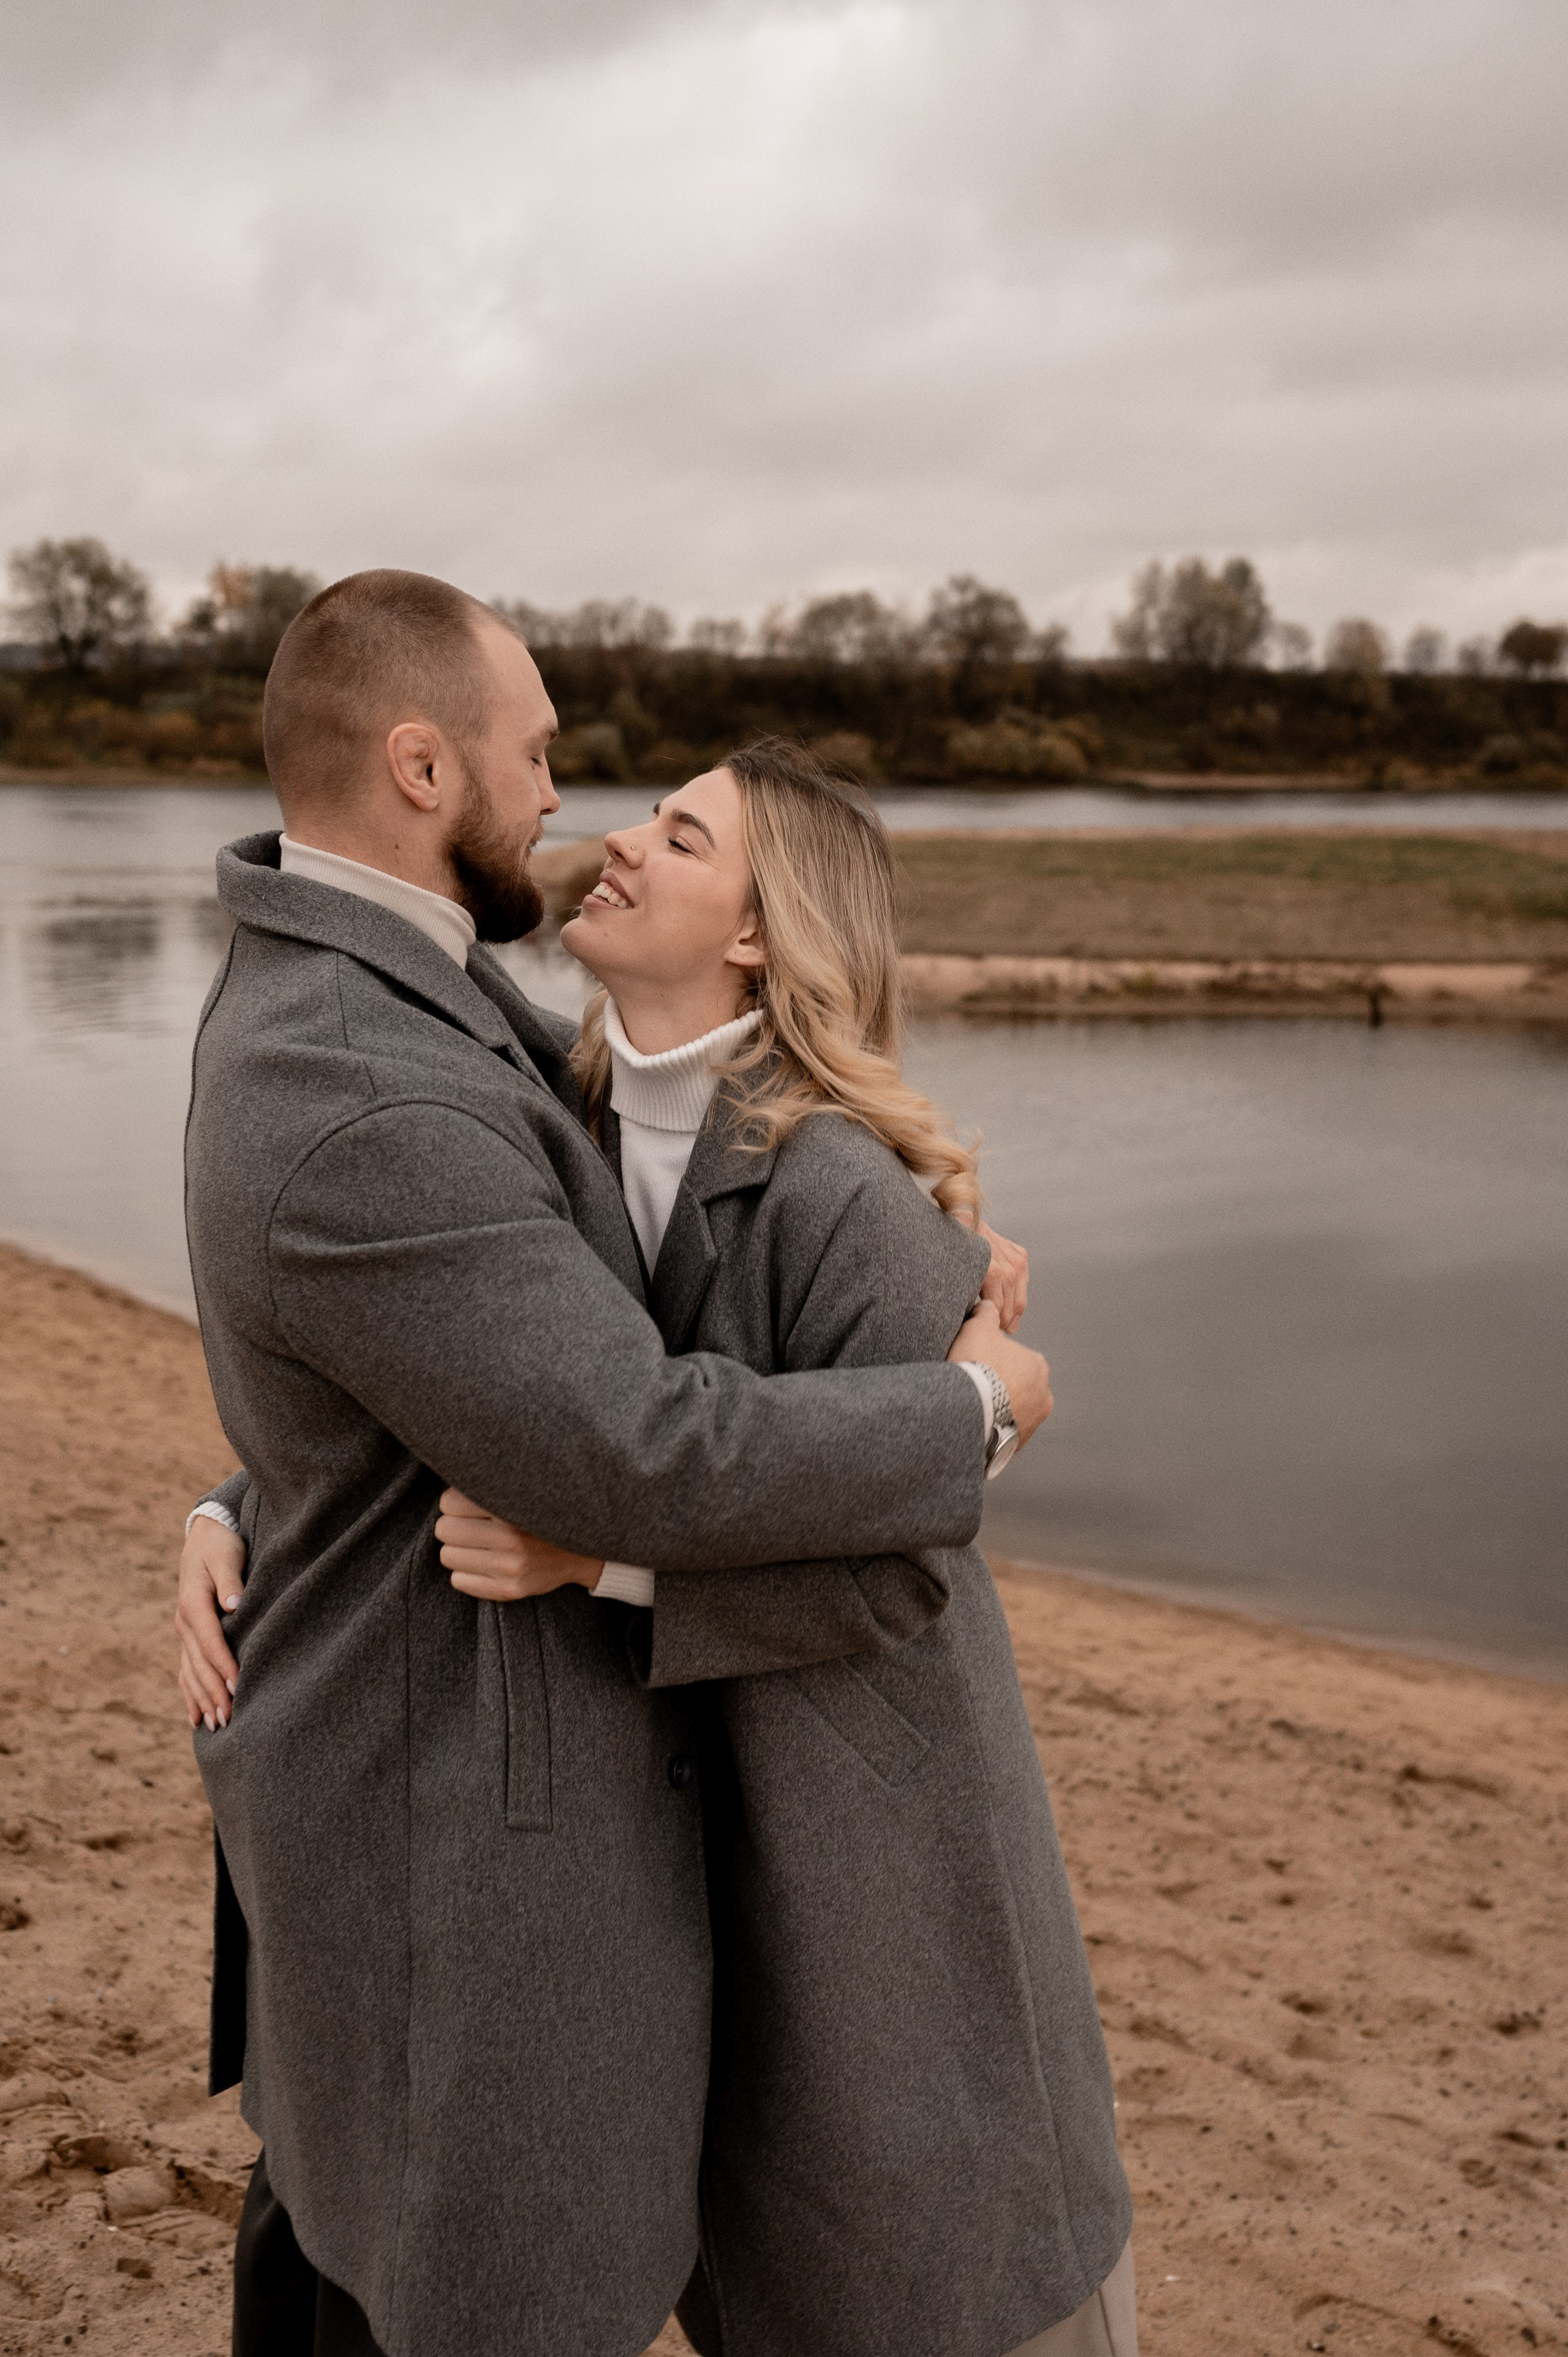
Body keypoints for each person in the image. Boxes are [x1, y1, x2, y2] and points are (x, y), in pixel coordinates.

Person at [175, 570, 1054, 2357]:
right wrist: (979, 1411)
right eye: (544, 757)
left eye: (674, 827)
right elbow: (623, 1442)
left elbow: (437, 1364)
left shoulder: (423, 999)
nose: (571, 807)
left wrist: (266, 1493)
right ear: (423, 769)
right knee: (380, 2266)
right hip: (447, 1859)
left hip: (754, 1870)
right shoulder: (383, 1078)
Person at [430, 742, 1136, 2356]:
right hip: (678, 1845)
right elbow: (419, 1334)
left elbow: (896, 1572)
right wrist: (229, 1508)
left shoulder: (850, 1199)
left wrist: (591, 1564)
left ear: (759, 931)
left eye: (678, 836)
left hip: (874, 1845)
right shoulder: (560, 1127)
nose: (618, 842)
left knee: (938, 2266)